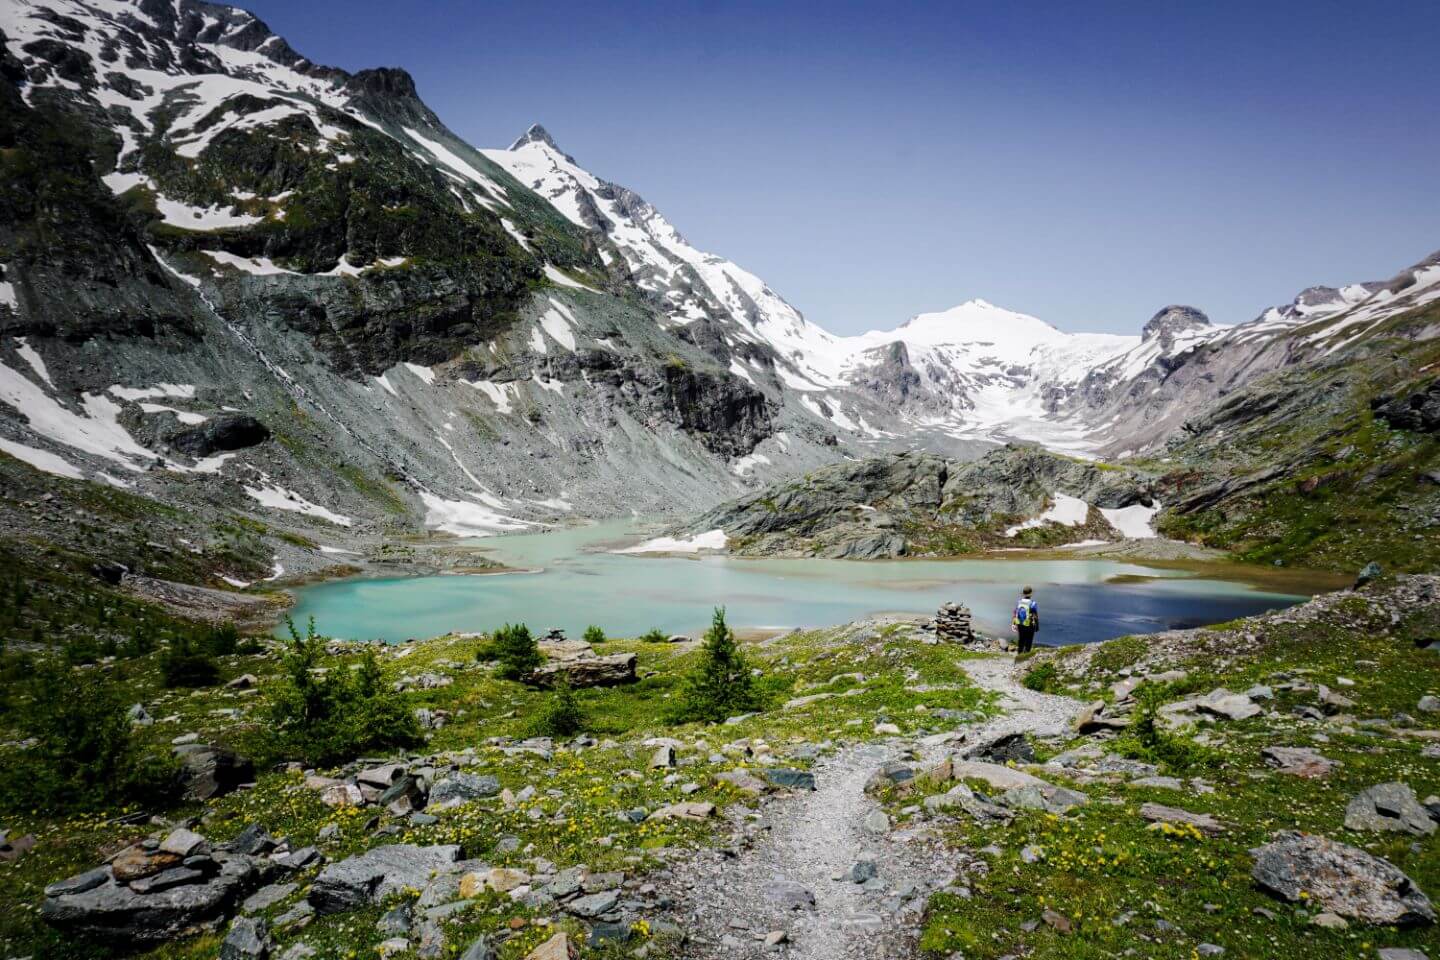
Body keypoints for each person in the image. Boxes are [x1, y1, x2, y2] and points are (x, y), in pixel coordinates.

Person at [1011, 585, 1039, 653]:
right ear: (1031, 594)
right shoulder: (1033, 603)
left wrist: (1014, 623)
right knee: (1029, 641)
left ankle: (1019, 655)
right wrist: (1037, 626)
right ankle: (1025, 657)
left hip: (1020, 623)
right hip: (1029, 625)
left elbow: (1015, 612)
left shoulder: (1019, 602)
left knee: (1021, 640)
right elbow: (1035, 616)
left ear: (1023, 594)